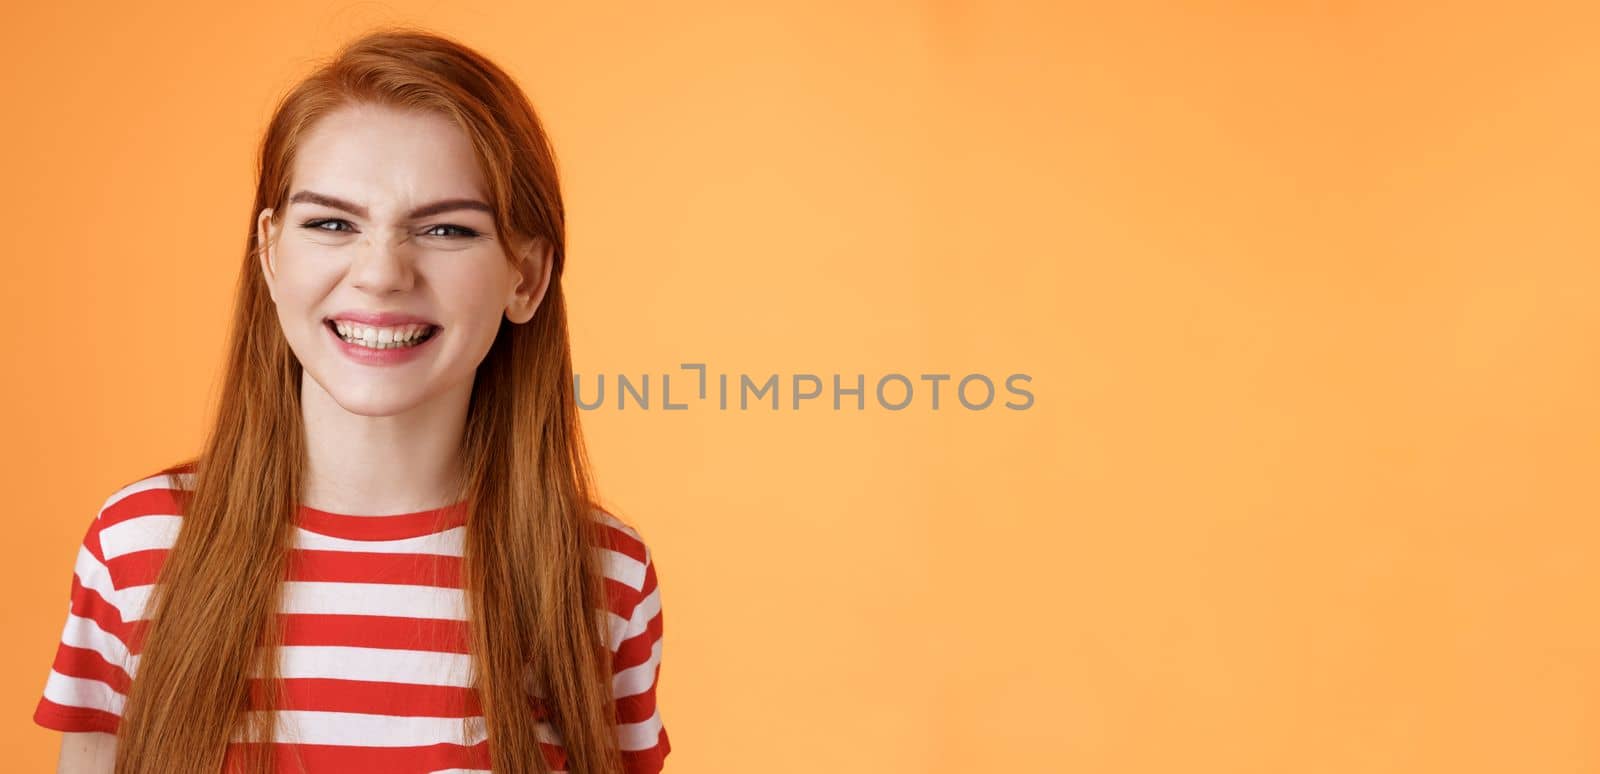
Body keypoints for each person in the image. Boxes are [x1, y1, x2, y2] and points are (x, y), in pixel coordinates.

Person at [32, 26, 671, 774]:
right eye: (332, 223)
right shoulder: (135, 548)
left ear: (524, 278)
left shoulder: (604, 578)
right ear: (271, 253)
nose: (380, 274)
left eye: (443, 228)